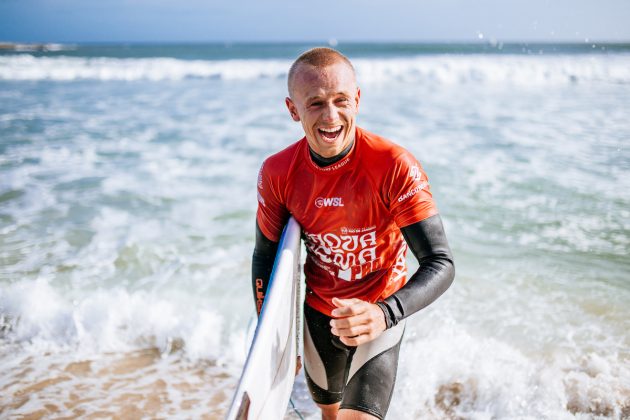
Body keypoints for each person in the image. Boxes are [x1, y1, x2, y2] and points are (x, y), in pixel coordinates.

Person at [252, 47, 455, 420]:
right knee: (329, 415)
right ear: (293, 110)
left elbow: (440, 263)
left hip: (380, 314)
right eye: (315, 103)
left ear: (357, 100)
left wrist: (384, 313)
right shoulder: (278, 172)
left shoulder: (393, 165)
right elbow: (265, 256)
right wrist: (274, 343)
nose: (331, 116)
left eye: (341, 100)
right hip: (318, 317)